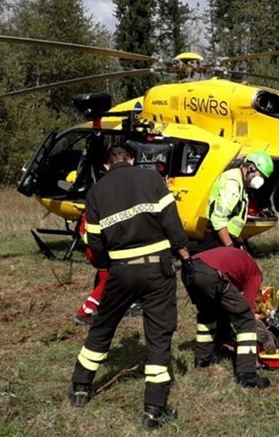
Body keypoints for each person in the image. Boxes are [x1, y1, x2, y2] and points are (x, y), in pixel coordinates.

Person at [68, 145, 190, 431]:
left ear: (106, 165)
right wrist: (184, 254)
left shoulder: (96, 192)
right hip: (158, 268)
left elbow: (94, 239)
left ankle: (80, 387)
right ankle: (154, 409)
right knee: (158, 336)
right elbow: (172, 222)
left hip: (121, 270)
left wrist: (106, 265)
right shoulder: (152, 179)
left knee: (103, 326)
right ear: (132, 159)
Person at [180, 245, 271, 389]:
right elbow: (248, 307)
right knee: (245, 317)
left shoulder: (240, 260)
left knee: (208, 314)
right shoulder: (255, 273)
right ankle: (247, 373)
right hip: (209, 273)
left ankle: (203, 358)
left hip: (188, 269)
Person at [204, 151, 274, 250]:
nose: (260, 181)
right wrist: (229, 246)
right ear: (251, 168)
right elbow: (218, 218)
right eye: (260, 176)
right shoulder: (232, 184)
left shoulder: (240, 181)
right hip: (219, 238)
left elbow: (235, 216)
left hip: (226, 236)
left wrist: (239, 241)